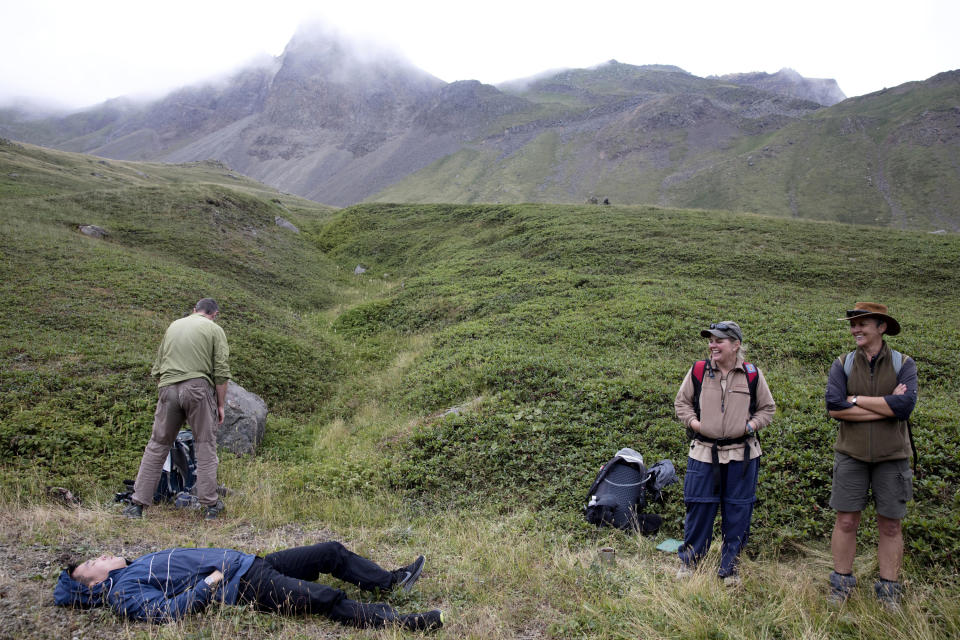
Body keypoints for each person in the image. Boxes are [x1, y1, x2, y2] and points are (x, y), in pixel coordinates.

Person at [54, 542, 442, 630]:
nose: (101, 557)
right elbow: (164, 613)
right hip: (242, 583)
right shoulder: (123, 592)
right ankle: (400, 623)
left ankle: (391, 583)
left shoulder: (132, 567)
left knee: (329, 552)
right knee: (322, 598)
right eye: (93, 564)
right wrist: (208, 584)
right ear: (94, 584)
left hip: (248, 562)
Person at [825, 302, 917, 611]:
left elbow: (904, 409)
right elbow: (834, 407)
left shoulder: (905, 363)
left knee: (891, 525)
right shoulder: (843, 363)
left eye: (862, 323)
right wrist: (885, 406)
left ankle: (889, 591)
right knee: (846, 520)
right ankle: (841, 585)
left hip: (892, 457)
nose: (855, 329)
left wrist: (857, 400)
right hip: (850, 455)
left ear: (881, 327)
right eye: (853, 324)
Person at [674, 321, 775, 584]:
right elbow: (682, 403)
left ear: (735, 344)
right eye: (710, 340)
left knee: (738, 512)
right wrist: (696, 424)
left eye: (718, 340)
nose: (712, 345)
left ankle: (730, 569)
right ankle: (690, 564)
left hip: (743, 456)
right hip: (703, 454)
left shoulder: (752, 374)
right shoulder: (698, 370)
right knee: (699, 508)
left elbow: (767, 408)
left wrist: (750, 425)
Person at [124, 298, 232, 521]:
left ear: (194, 310)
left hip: (167, 386)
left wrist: (168, 393)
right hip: (197, 388)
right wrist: (220, 404)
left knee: (157, 444)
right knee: (205, 445)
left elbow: (157, 368)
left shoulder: (174, 325)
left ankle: (137, 505)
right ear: (215, 314)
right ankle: (210, 505)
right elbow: (221, 371)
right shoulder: (214, 329)